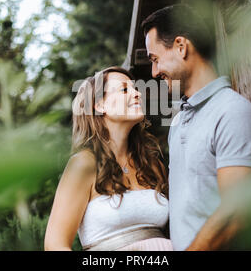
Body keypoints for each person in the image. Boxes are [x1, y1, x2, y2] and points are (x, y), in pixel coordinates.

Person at [141, 4, 251, 251]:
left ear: (181, 46)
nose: (154, 72)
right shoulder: (178, 121)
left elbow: (236, 214)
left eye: (155, 59)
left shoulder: (232, 112)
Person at [44, 66, 173, 251]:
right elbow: (54, 245)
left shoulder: (152, 165)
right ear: (99, 105)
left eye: (135, 88)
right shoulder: (83, 165)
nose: (137, 94)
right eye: (124, 89)